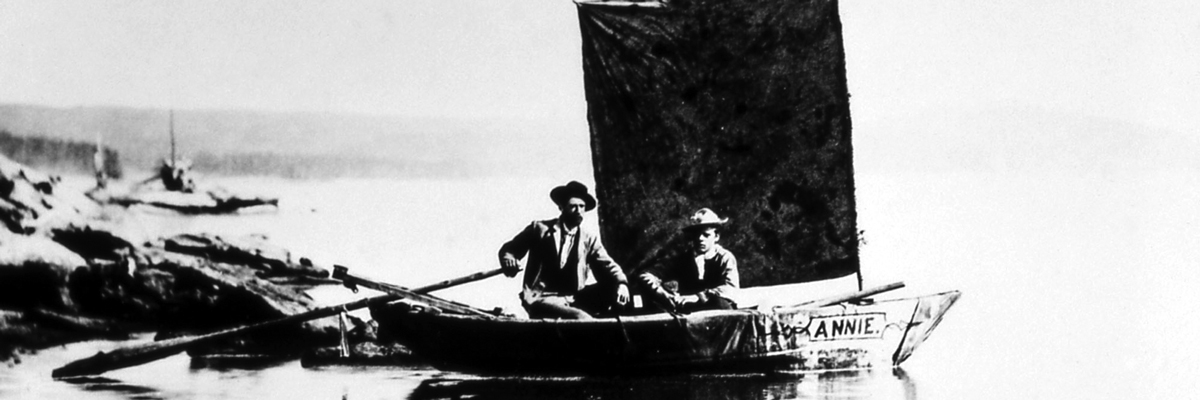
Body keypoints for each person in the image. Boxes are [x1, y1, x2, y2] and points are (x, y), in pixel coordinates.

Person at [498, 181, 630, 319]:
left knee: (614, 289)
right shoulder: (539, 229)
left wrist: (621, 283)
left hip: (574, 299)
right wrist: (509, 260)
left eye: (582, 206)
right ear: (561, 207)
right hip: (543, 299)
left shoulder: (589, 239)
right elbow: (510, 250)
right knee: (581, 318)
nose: (578, 211)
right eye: (573, 206)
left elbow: (608, 265)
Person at [637, 208, 739, 313]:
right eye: (696, 234)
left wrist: (698, 296)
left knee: (721, 304)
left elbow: (730, 289)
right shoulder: (683, 259)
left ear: (716, 236)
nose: (700, 239)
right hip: (690, 314)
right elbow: (646, 275)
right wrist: (664, 295)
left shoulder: (725, 258)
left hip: (719, 315)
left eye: (706, 235)